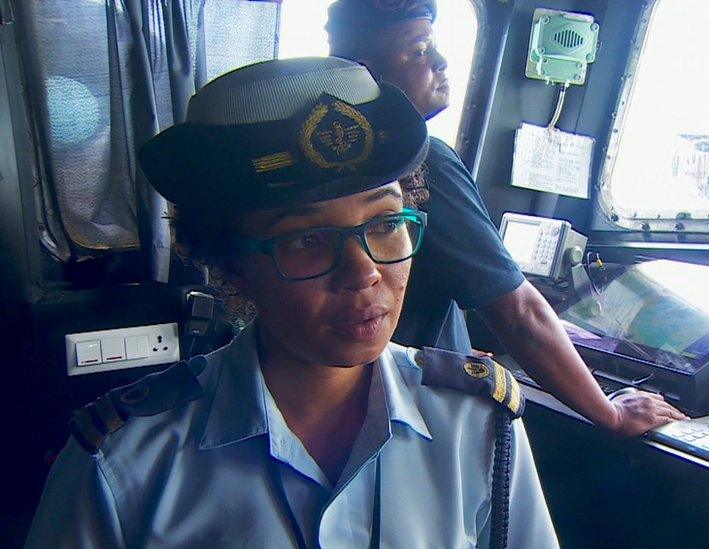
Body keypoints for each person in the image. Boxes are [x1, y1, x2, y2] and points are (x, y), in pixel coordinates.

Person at [25, 57, 558, 548]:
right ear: (227, 261)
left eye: (387, 223)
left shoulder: (479, 425)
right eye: (305, 239)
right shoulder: (125, 465)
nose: (365, 272)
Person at [325, 0, 687, 437]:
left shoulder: (331, 162)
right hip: (406, 409)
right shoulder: (423, 160)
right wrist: (612, 413)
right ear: (367, 72)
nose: (440, 62)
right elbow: (519, 314)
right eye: (420, 50)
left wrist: (450, 350)